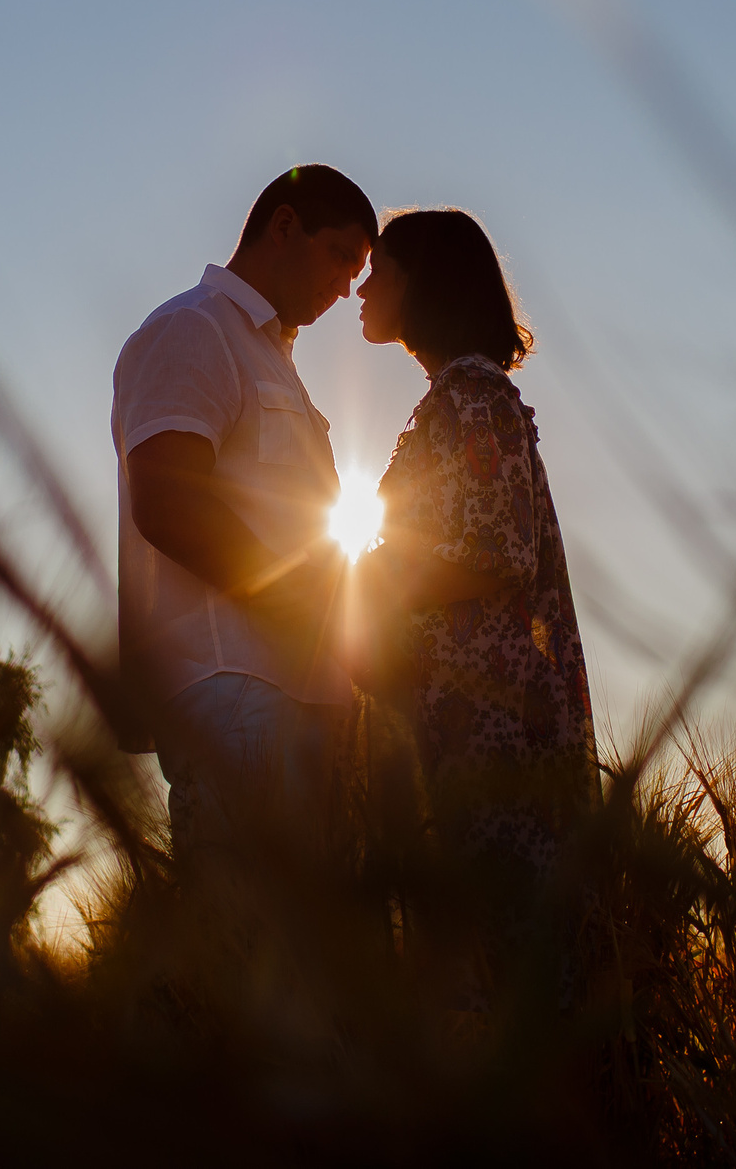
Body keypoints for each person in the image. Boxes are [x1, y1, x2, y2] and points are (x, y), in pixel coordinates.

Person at [352, 208, 596, 1006]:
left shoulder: (473, 397)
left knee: (513, 969)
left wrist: (369, 584)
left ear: (422, 283)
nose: (362, 284)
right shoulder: (457, 397)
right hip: (469, 727)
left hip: (497, 738)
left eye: (379, 269)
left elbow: (500, 550)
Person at [112, 164, 377, 888]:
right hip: (235, 690)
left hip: (308, 695)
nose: (347, 286)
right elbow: (166, 500)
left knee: (318, 968)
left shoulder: (275, 360)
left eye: (359, 271)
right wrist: (304, 607)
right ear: (284, 225)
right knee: (250, 951)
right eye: (340, 257)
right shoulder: (191, 328)